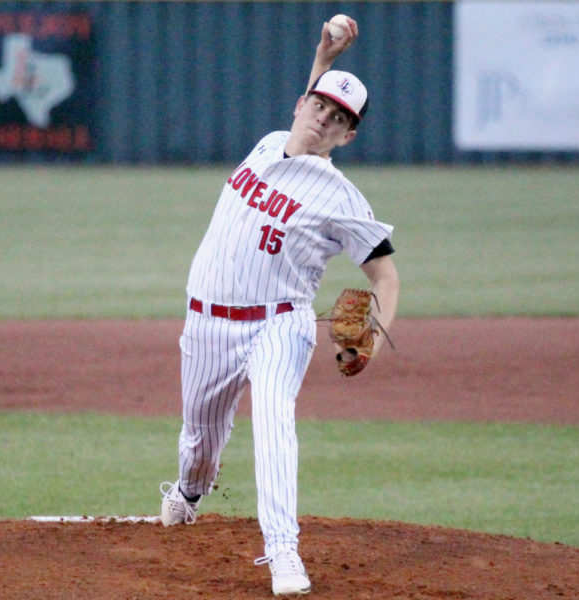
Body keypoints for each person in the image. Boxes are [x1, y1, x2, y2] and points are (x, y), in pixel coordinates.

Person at [158, 17, 400, 596]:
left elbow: (386, 275)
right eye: (321, 107)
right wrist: (324, 56)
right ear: (302, 103)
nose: (325, 119)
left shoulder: (341, 197)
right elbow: (307, 113)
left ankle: (283, 552)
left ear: (348, 136)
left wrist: (373, 334)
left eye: (341, 119)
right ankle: (190, 492)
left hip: (280, 326)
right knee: (199, 441)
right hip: (207, 324)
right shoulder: (269, 142)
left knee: (274, 424)